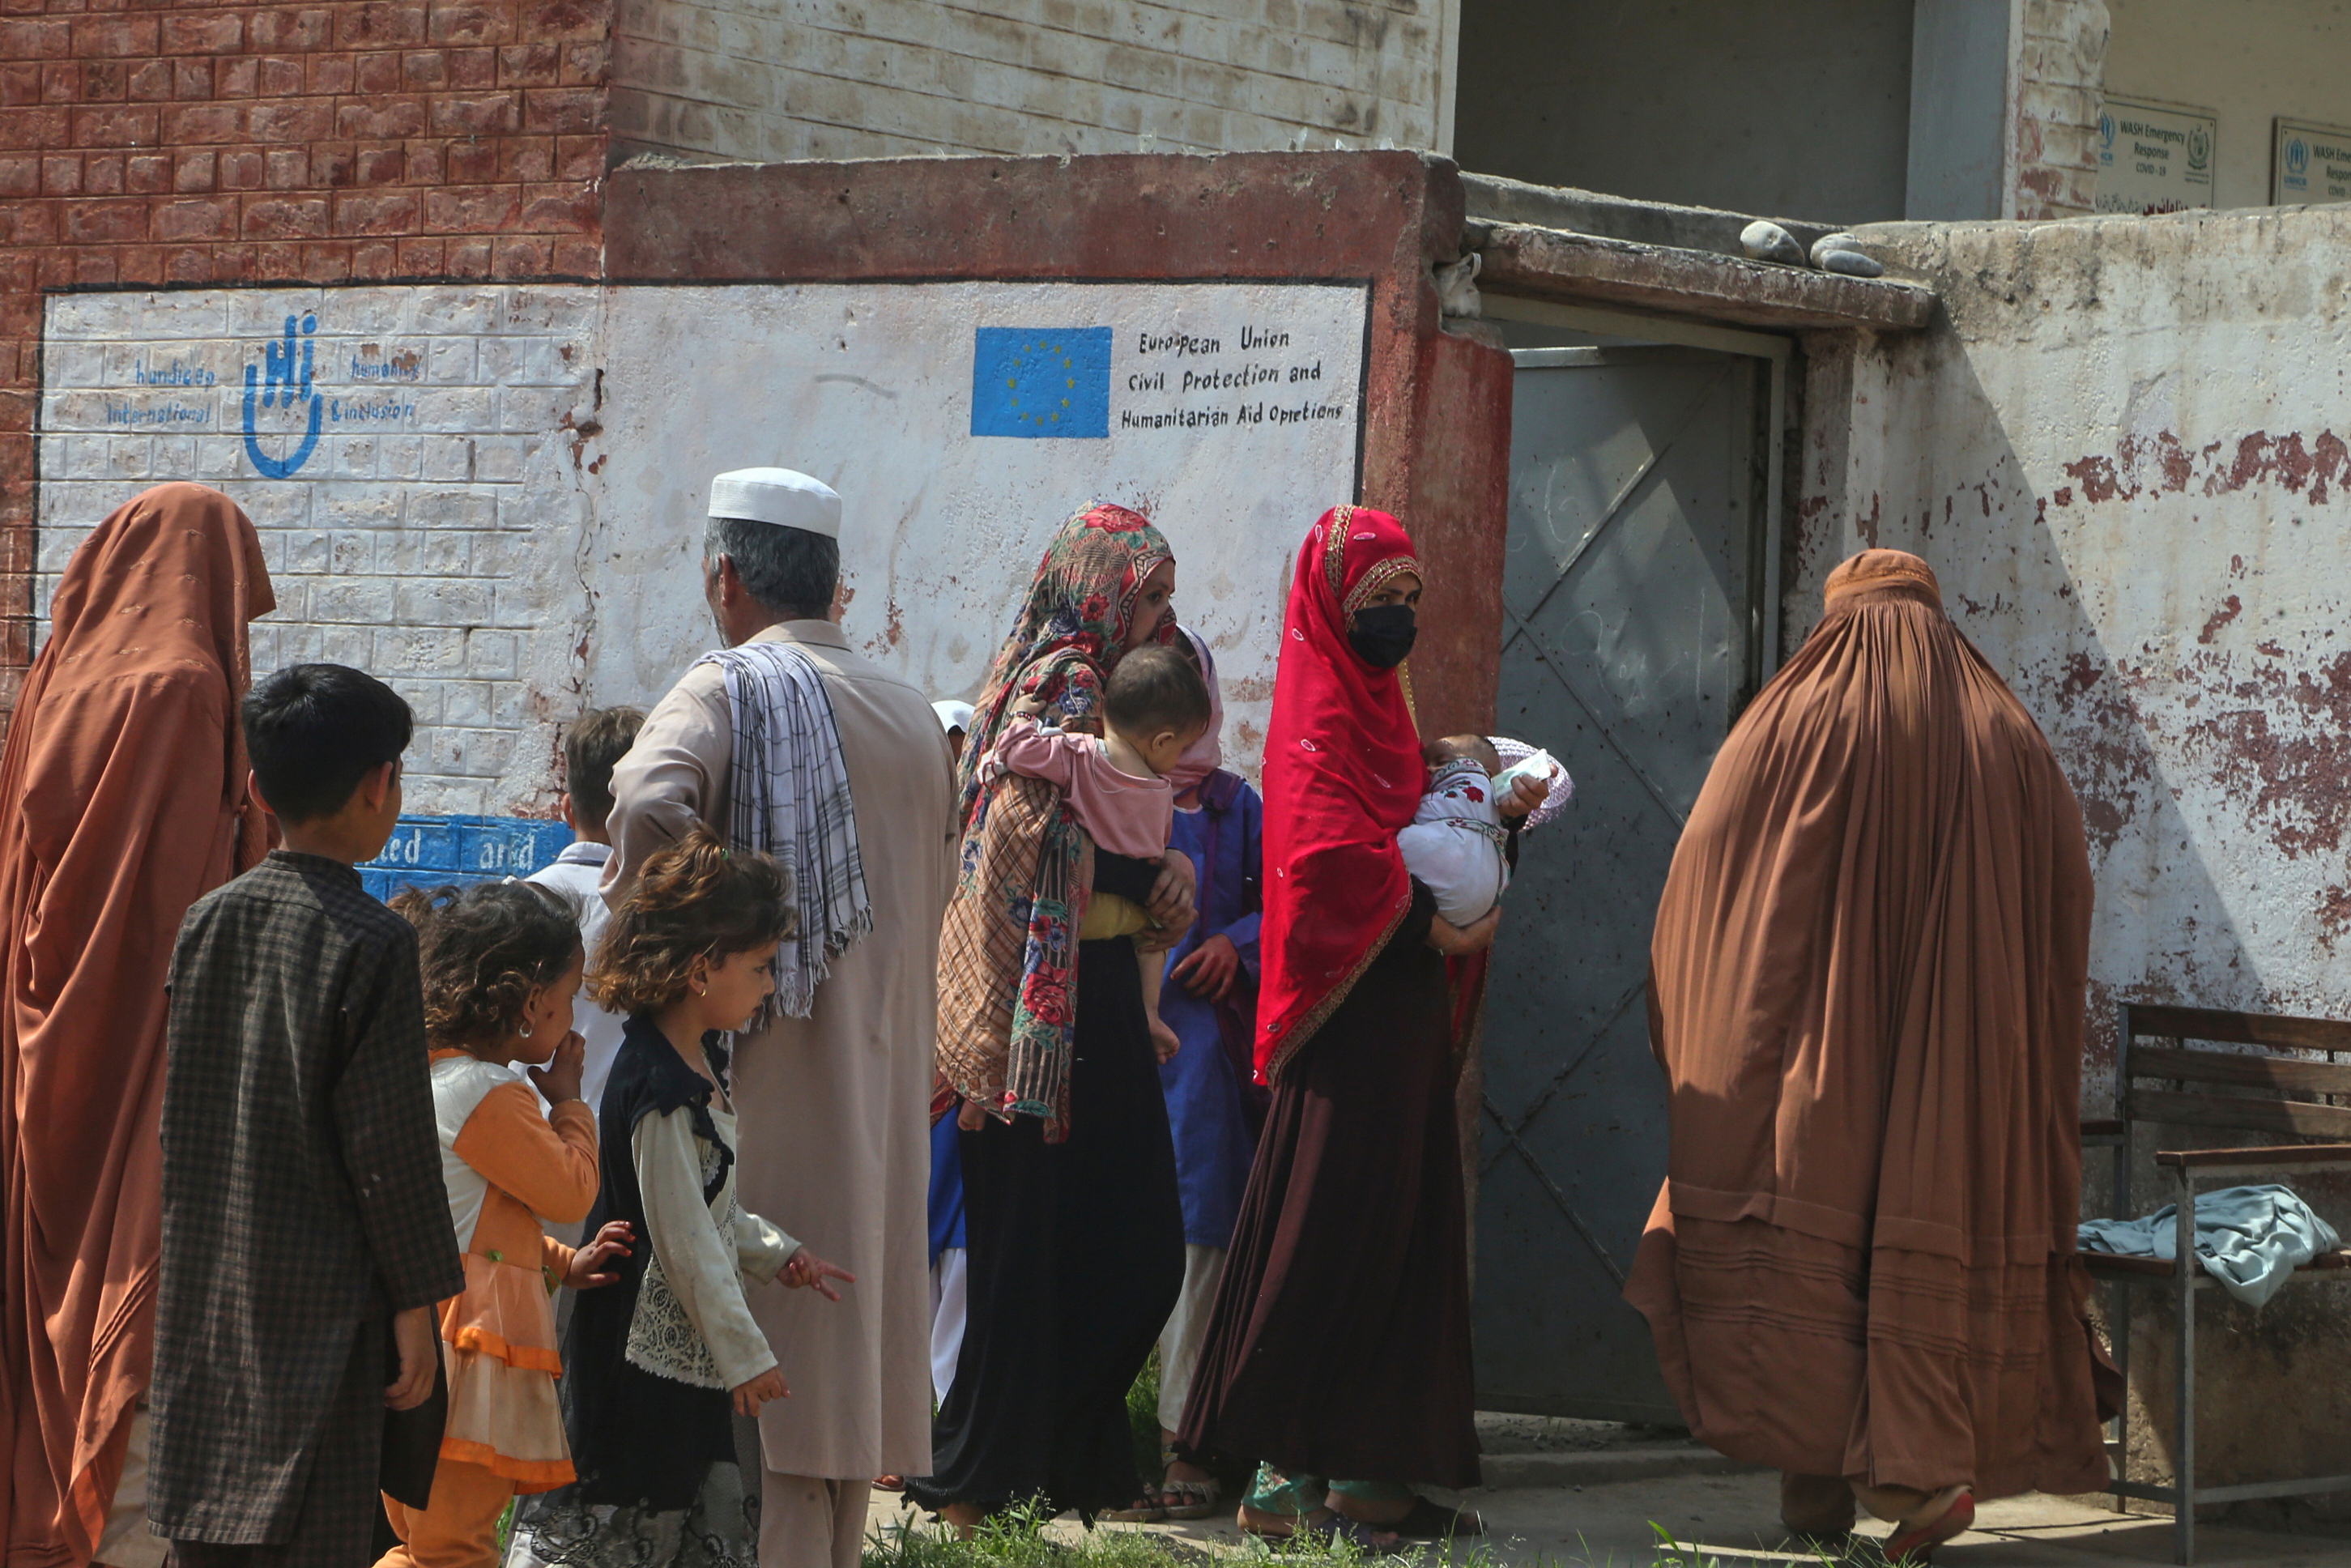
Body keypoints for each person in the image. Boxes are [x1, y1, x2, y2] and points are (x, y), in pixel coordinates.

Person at [1623, 548, 2111, 1558]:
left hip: (1816, 1072)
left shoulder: (1788, 721)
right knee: (1917, 1236)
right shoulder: (2006, 730)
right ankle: (1845, 1489)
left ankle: (1895, 1485)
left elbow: (1702, 887)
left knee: (1817, 1238)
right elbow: (2065, 904)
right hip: (1959, 1077)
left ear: (1833, 623)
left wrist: (1717, 1025)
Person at [597, 467, 956, 1568]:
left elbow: (647, 801)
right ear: (835, 586)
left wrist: (688, 952)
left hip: (760, 1084)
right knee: (838, 1430)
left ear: (724, 577)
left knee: (763, 1414)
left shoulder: (729, 690)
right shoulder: (909, 712)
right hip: (885, 1103)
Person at [1177, 505, 1544, 1549]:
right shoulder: (1318, 715)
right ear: (1331, 607)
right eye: (1375, 599)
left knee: (1403, 1232)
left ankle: (1371, 1478)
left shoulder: (1385, 704)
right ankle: (1279, 1471)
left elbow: (1418, 814)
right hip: (1346, 1019)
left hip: (1398, 1007)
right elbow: (1329, 858)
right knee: (1330, 1233)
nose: (1396, 618)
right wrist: (1441, 924)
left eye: (1409, 598)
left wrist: (1488, 811)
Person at [0, 484, 275, 1568]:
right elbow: (179, 909)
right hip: (140, 1053)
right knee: (124, 1310)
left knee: (39, 1306)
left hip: (38, 1041)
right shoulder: (187, 690)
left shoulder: (50, 685)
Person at [917, 502, 1198, 1531]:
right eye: (1150, 597)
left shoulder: (1060, 674)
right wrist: (1154, 869)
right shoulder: (1067, 683)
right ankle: (981, 1481)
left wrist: (1160, 871)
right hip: (1049, 1014)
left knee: (1081, 1248)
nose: (1163, 620)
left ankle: (1021, 1466)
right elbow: (1024, 837)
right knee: (1064, 1250)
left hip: (1090, 999)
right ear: (1098, 591)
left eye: (1168, 598)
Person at [151, 664, 466, 1568]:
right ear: (381, 784)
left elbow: (184, 1113)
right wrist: (416, 1304)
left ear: (257, 789)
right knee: (315, 1527)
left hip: (212, 1283)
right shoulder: (374, 941)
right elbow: (389, 1148)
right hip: (326, 1296)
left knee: (208, 1517)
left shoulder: (206, 921)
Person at [509, 828, 852, 1568]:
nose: (768, 986)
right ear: (702, 970)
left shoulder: (693, 1062)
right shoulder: (660, 1086)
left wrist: (777, 1253)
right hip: (637, 1352)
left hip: (675, 1350)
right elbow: (682, 1233)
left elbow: (710, 1205)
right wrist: (746, 1356)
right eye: (760, 969)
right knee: (626, 1518)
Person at [375, 884, 635, 1568]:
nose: (575, 1011)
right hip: (470, 1356)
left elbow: (473, 1225)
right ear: (530, 1002)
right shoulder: (490, 1094)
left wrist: (557, 1262)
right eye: (572, 991)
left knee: (424, 1542)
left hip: (422, 1332)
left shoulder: (429, 1077)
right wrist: (571, 1104)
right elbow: (571, 1188)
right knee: (455, 1548)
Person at [1148, 628, 1264, 1522]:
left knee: (1197, 1244)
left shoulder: (1238, 806)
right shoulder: (1103, 792)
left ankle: (1183, 1443)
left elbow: (1290, 903)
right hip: (1112, 1050)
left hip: (1204, 1070)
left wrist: (1236, 942)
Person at [980, 642, 1214, 1063]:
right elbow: (1156, 852)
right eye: (1179, 749)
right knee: (1153, 943)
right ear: (1161, 741)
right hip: (1131, 921)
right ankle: (1150, 1010)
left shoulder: (1078, 756)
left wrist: (1022, 716)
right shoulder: (1162, 793)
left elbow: (1015, 752)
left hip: (1073, 919)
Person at [526, 706, 645, 1121]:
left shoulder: (516, 903)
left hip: (524, 1141)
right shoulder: (662, 911)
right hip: (631, 1152)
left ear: (566, 809)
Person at [1398, 735, 1510, 926]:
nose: (1428, 769)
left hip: (1448, 877)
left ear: (1486, 774)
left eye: (1442, 762)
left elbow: (1422, 813)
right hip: (1475, 909)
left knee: (1390, 845)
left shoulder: (1471, 787)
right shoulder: (1495, 818)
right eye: (1423, 763)